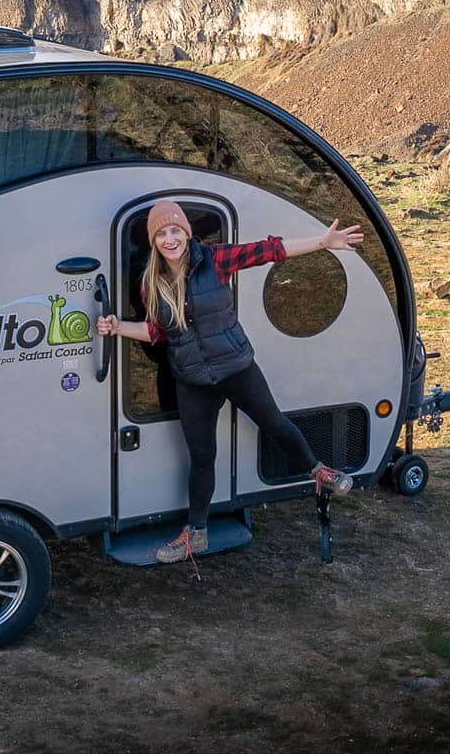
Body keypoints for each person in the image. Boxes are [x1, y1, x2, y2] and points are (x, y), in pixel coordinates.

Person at [96, 199, 363, 564]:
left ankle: (320, 473)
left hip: (235, 367)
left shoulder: (214, 260)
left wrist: (321, 242)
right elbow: (158, 332)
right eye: (161, 234)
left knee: (273, 422)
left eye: (176, 230)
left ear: (187, 233)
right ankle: (197, 534)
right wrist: (117, 328)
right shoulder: (150, 284)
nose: (170, 239)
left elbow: (271, 251)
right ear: (154, 240)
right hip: (192, 380)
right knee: (202, 457)